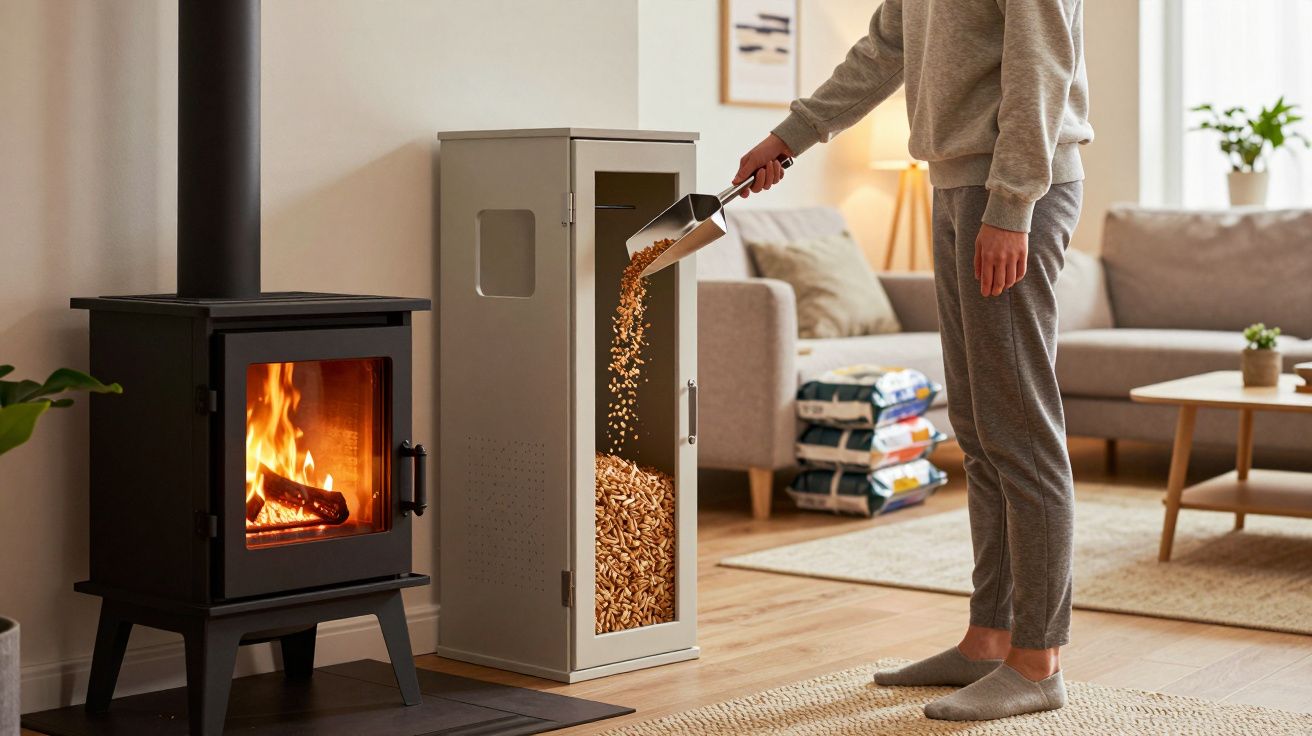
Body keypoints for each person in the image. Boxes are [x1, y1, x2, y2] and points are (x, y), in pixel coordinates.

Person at [735, 0, 1093, 722]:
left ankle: (1038, 661)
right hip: (955, 184)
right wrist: (789, 136)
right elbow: (884, 48)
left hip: (1015, 192)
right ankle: (989, 639)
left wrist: (1012, 205)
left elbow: (1041, 66)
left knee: (1020, 430)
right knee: (980, 428)